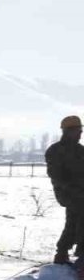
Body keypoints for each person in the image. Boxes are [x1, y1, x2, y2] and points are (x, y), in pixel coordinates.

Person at [46, 115, 84, 271]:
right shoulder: (56, 151)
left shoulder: (80, 150)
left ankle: (62, 252)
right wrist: (73, 189)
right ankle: (80, 253)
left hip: (81, 192)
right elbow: (56, 175)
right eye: (77, 131)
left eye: (81, 131)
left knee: (74, 221)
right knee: (80, 217)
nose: (80, 134)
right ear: (67, 131)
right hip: (68, 193)